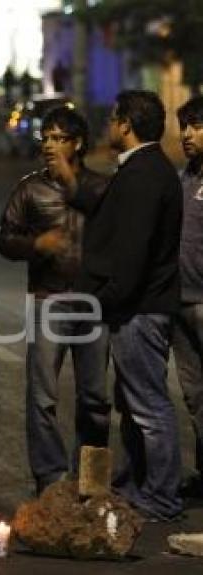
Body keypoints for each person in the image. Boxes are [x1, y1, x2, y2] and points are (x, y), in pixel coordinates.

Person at [75, 90, 183, 522]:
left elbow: (133, 249)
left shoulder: (143, 174)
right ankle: (142, 485)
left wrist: (108, 299)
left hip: (139, 309)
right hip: (141, 305)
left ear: (126, 124)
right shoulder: (150, 169)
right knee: (138, 404)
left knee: (149, 407)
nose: (108, 126)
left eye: (113, 118)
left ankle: (161, 496)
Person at [0, 106, 111, 495]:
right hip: (49, 301)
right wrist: (35, 244)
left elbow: (119, 234)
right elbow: (4, 238)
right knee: (42, 396)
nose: (49, 145)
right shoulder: (30, 188)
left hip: (95, 304)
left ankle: (89, 480)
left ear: (77, 144)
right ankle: (50, 479)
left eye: (58, 138)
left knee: (95, 398)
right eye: (45, 137)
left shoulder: (100, 187)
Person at [173, 96, 203, 498]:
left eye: (196, 126)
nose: (186, 134)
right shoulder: (187, 176)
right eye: (185, 126)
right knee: (195, 395)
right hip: (180, 300)